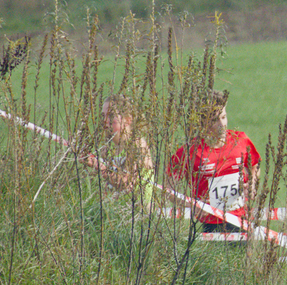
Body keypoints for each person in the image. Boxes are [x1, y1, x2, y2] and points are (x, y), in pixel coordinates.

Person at [167, 89, 261, 233]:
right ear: (201, 122)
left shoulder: (240, 140)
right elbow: (168, 189)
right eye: (214, 120)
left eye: (223, 117)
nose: (221, 124)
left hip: (242, 221)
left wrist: (253, 183)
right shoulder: (190, 151)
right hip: (209, 225)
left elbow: (255, 164)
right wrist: (191, 205)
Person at [96, 94, 154, 207]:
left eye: (111, 116)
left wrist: (100, 167)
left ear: (128, 120)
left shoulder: (138, 145)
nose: (105, 122)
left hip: (136, 215)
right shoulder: (108, 147)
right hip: (114, 213)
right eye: (103, 116)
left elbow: (127, 183)